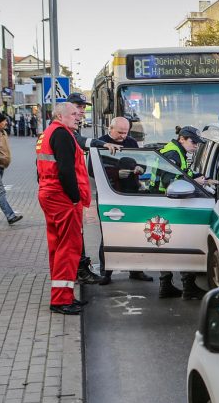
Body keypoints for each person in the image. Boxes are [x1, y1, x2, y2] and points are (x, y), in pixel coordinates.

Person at [36, 101, 90, 315]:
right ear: (60, 115)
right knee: (69, 248)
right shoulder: (62, 134)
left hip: (49, 194)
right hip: (62, 197)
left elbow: (39, 169)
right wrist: (75, 198)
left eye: (78, 114)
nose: (78, 116)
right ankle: (60, 300)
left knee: (58, 247)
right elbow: (66, 170)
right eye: (74, 113)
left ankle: (63, 296)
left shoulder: (47, 134)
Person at [63, 92, 122, 285]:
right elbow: (83, 142)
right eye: (78, 107)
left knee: (76, 234)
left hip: (72, 192)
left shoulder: (69, 128)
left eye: (82, 107)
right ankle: (78, 271)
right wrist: (102, 143)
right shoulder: (64, 130)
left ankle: (78, 269)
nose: (82, 111)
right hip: (66, 195)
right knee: (72, 236)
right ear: (68, 108)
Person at [155, 126, 217, 299]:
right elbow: (168, 180)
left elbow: (183, 173)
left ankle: (167, 286)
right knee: (181, 242)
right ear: (182, 138)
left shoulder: (178, 152)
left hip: (167, 202)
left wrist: (203, 179)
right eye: (193, 142)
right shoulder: (173, 153)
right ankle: (185, 287)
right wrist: (194, 180)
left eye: (198, 143)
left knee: (170, 243)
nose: (196, 146)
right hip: (167, 202)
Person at [96, 117, 153, 286]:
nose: (122, 136)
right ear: (110, 128)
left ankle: (136, 270)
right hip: (110, 193)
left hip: (132, 193)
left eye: (125, 132)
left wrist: (140, 169)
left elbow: (142, 162)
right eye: (119, 132)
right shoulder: (101, 143)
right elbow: (93, 170)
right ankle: (105, 272)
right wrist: (115, 174)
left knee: (135, 233)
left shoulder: (132, 143)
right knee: (109, 234)